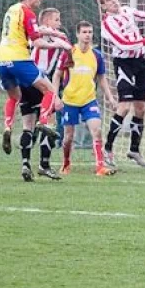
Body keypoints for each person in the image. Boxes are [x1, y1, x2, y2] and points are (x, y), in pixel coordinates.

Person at [0, 0, 68, 181]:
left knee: (21, 112)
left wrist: (54, 34)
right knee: (51, 100)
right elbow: (37, 41)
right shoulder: (29, 14)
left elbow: (32, 34)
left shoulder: (12, 10)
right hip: (26, 67)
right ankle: (44, 163)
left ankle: (19, 151)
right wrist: (60, 42)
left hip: (2, 61)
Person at [98, 0, 145, 168]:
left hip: (140, 62)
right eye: (108, 0)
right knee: (124, 107)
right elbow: (123, 44)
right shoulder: (107, 24)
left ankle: (134, 150)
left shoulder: (126, 10)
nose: (114, 1)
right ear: (103, 6)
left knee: (141, 108)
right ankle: (108, 148)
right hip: (124, 64)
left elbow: (138, 13)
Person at [54, 21, 118, 176]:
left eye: (90, 32)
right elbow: (57, 75)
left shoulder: (97, 55)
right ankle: (66, 163)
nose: (87, 35)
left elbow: (101, 78)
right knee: (68, 137)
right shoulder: (68, 53)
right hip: (70, 100)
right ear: (77, 34)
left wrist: (110, 98)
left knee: (97, 130)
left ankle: (100, 167)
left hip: (89, 100)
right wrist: (55, 97)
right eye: (84, 32)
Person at [14, 8, 72, 179]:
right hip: (41, 82)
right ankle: (44, 165)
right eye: (56, 19)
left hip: (26, 81)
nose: (60, 23)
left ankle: (25, 164)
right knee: (50, 123)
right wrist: (60, 40)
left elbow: (68, 48)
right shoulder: (41, 34)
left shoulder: (36, 35)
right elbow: (66, 46)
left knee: (28, 125)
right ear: (46, 21)